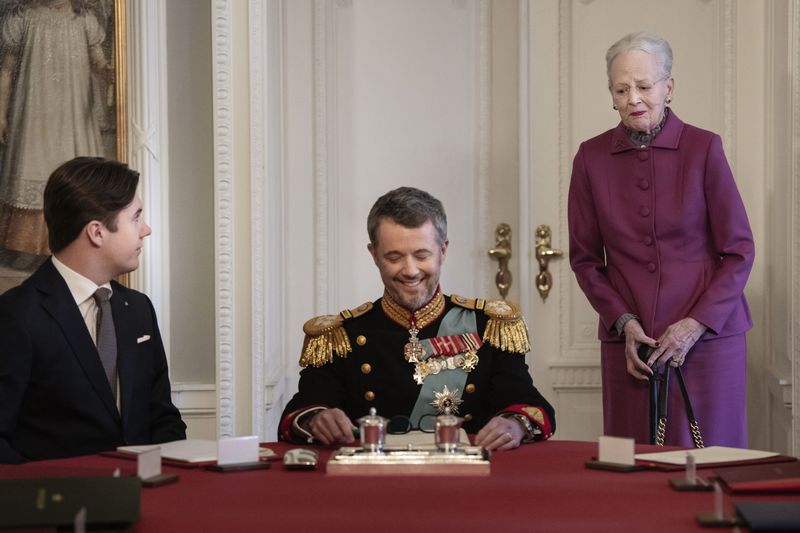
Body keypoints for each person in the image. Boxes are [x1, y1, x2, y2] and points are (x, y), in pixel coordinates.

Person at [567, 32, 754, 447]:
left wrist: (694, 324)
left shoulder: (704, 148)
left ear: (668, 88)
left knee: (709, 468)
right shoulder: (590, 158)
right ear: (611, 95)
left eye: (644, 86)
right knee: (633, 468)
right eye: (622, 88)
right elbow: (584, 260)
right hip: (633, 347)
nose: (634, 98)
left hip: (708, 340)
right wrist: (624, 322)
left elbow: (738, 251)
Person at [279, 187, 555, 451]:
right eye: (394, 257)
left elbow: (529, 406)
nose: (410, 271)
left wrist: (514, 425)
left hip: (464, 482)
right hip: (371, 483)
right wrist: (317, 419)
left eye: (422, 255)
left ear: (443, 250)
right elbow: (300, 412)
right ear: (374, 255)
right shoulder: (340, 337)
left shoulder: (489, 328)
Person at [0, 157, 186, 463]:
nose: (146, 229)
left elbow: (163, 417)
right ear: (97, 232)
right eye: (136, 217)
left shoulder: (139, 309)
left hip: (146, 499)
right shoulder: (17, 315)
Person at [0, 0, 114, 256]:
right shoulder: (24, 17)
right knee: (32, 163)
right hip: (33, 113)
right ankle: (27, 248)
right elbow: (6, 70)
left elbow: (98, 61)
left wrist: (108, 70)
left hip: (73, 112)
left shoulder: (83, 19)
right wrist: (1, 114)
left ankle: (73, 245)